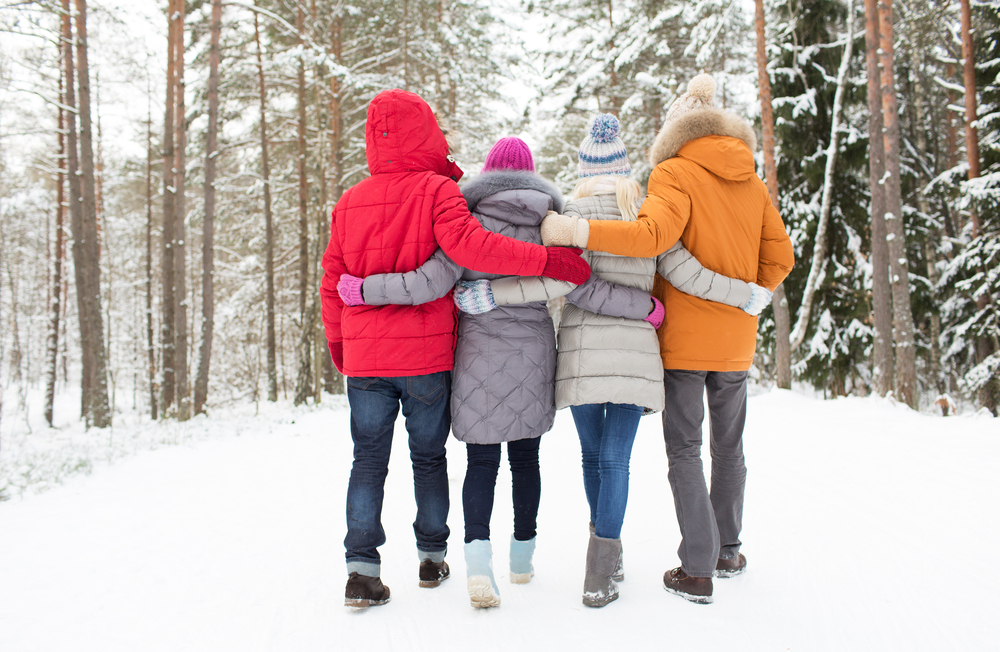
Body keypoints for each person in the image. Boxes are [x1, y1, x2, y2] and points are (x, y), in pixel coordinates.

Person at [320, 90, 591, 609]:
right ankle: (431, 557)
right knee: (428, 457)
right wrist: (546, 261)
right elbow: (474, 248)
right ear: (425, 132)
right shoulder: (438, 192)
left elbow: (332, 281)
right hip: (424, 358)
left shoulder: (349, 202)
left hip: (366, 360)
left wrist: (340, 343)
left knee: (367, 460)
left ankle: (361, 570)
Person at [541, 75, 795, 605]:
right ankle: (728, 551)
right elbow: (782, 258)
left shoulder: (673, 173)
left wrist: (580, 233)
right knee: (730, 447)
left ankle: (697, 568)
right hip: (736, 341)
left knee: (685, 448)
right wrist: (751, 295)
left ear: (677, 131)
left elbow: (652, 240)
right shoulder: (751, 180)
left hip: (682, 339)